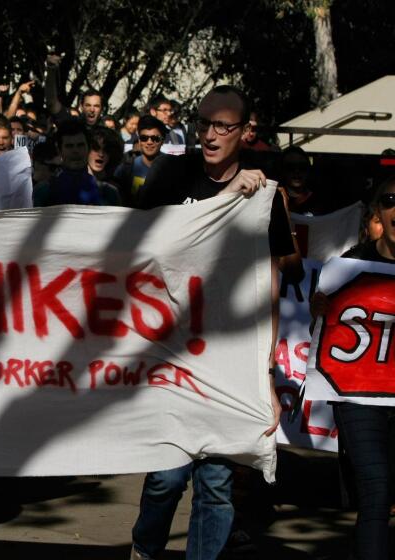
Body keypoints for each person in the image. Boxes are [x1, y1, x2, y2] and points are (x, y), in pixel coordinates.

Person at [132, 85, 293, 560]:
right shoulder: (173, 173)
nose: (209, 134)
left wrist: (265, 374)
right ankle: (145, 549)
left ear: (246, 131)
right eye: (203, 123)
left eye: (223, 125)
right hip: (169, 350)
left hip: (229, 356)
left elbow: (272, 285)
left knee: (218, 482)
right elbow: (137, 243)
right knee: (167, 475)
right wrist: (225, 198)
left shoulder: (263, 195)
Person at [309, 176, 395, 560]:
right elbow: (321, 334)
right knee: (376, 491)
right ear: (378, 213)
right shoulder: (346, 269)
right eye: (391, 200)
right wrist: (319, 313)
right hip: (359, 399)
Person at [33, 120, 121, 207]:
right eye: (69, 146)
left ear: (88, 148)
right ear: (59, 150)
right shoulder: (43, 192)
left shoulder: (109, 193)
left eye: (80, 145)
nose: (75, 151)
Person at [114, 115, 166, 205]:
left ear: (162, 141)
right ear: (139, 141)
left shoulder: (173, 167)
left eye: (155, 138)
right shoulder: (125, 169)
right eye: (144, 138)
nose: (149, 142)